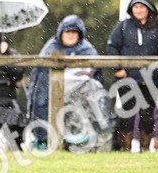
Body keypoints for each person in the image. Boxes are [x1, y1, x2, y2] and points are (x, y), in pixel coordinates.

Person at [26, 14, 103, 150]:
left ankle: (81, 138)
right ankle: (45, 138)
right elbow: (40, 84)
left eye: (74, 32)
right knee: (43, 104)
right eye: (68, 32)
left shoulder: (88, 50)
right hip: (53, 94)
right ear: (61, 33)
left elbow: (96, 78)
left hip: (80, 98)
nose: (71, 35)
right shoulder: (50, 49)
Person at [106, 0, 158, 153]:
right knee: (127, 114)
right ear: (131, 9)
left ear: (149, 10)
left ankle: (145, 148)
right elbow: (112, 47)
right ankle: (125, 148)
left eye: (142, 7)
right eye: (136, 7)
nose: (139, 10)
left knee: (148, 116)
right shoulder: (123, 26)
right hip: (127, 78)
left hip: (150, 79)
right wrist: (117, 68)